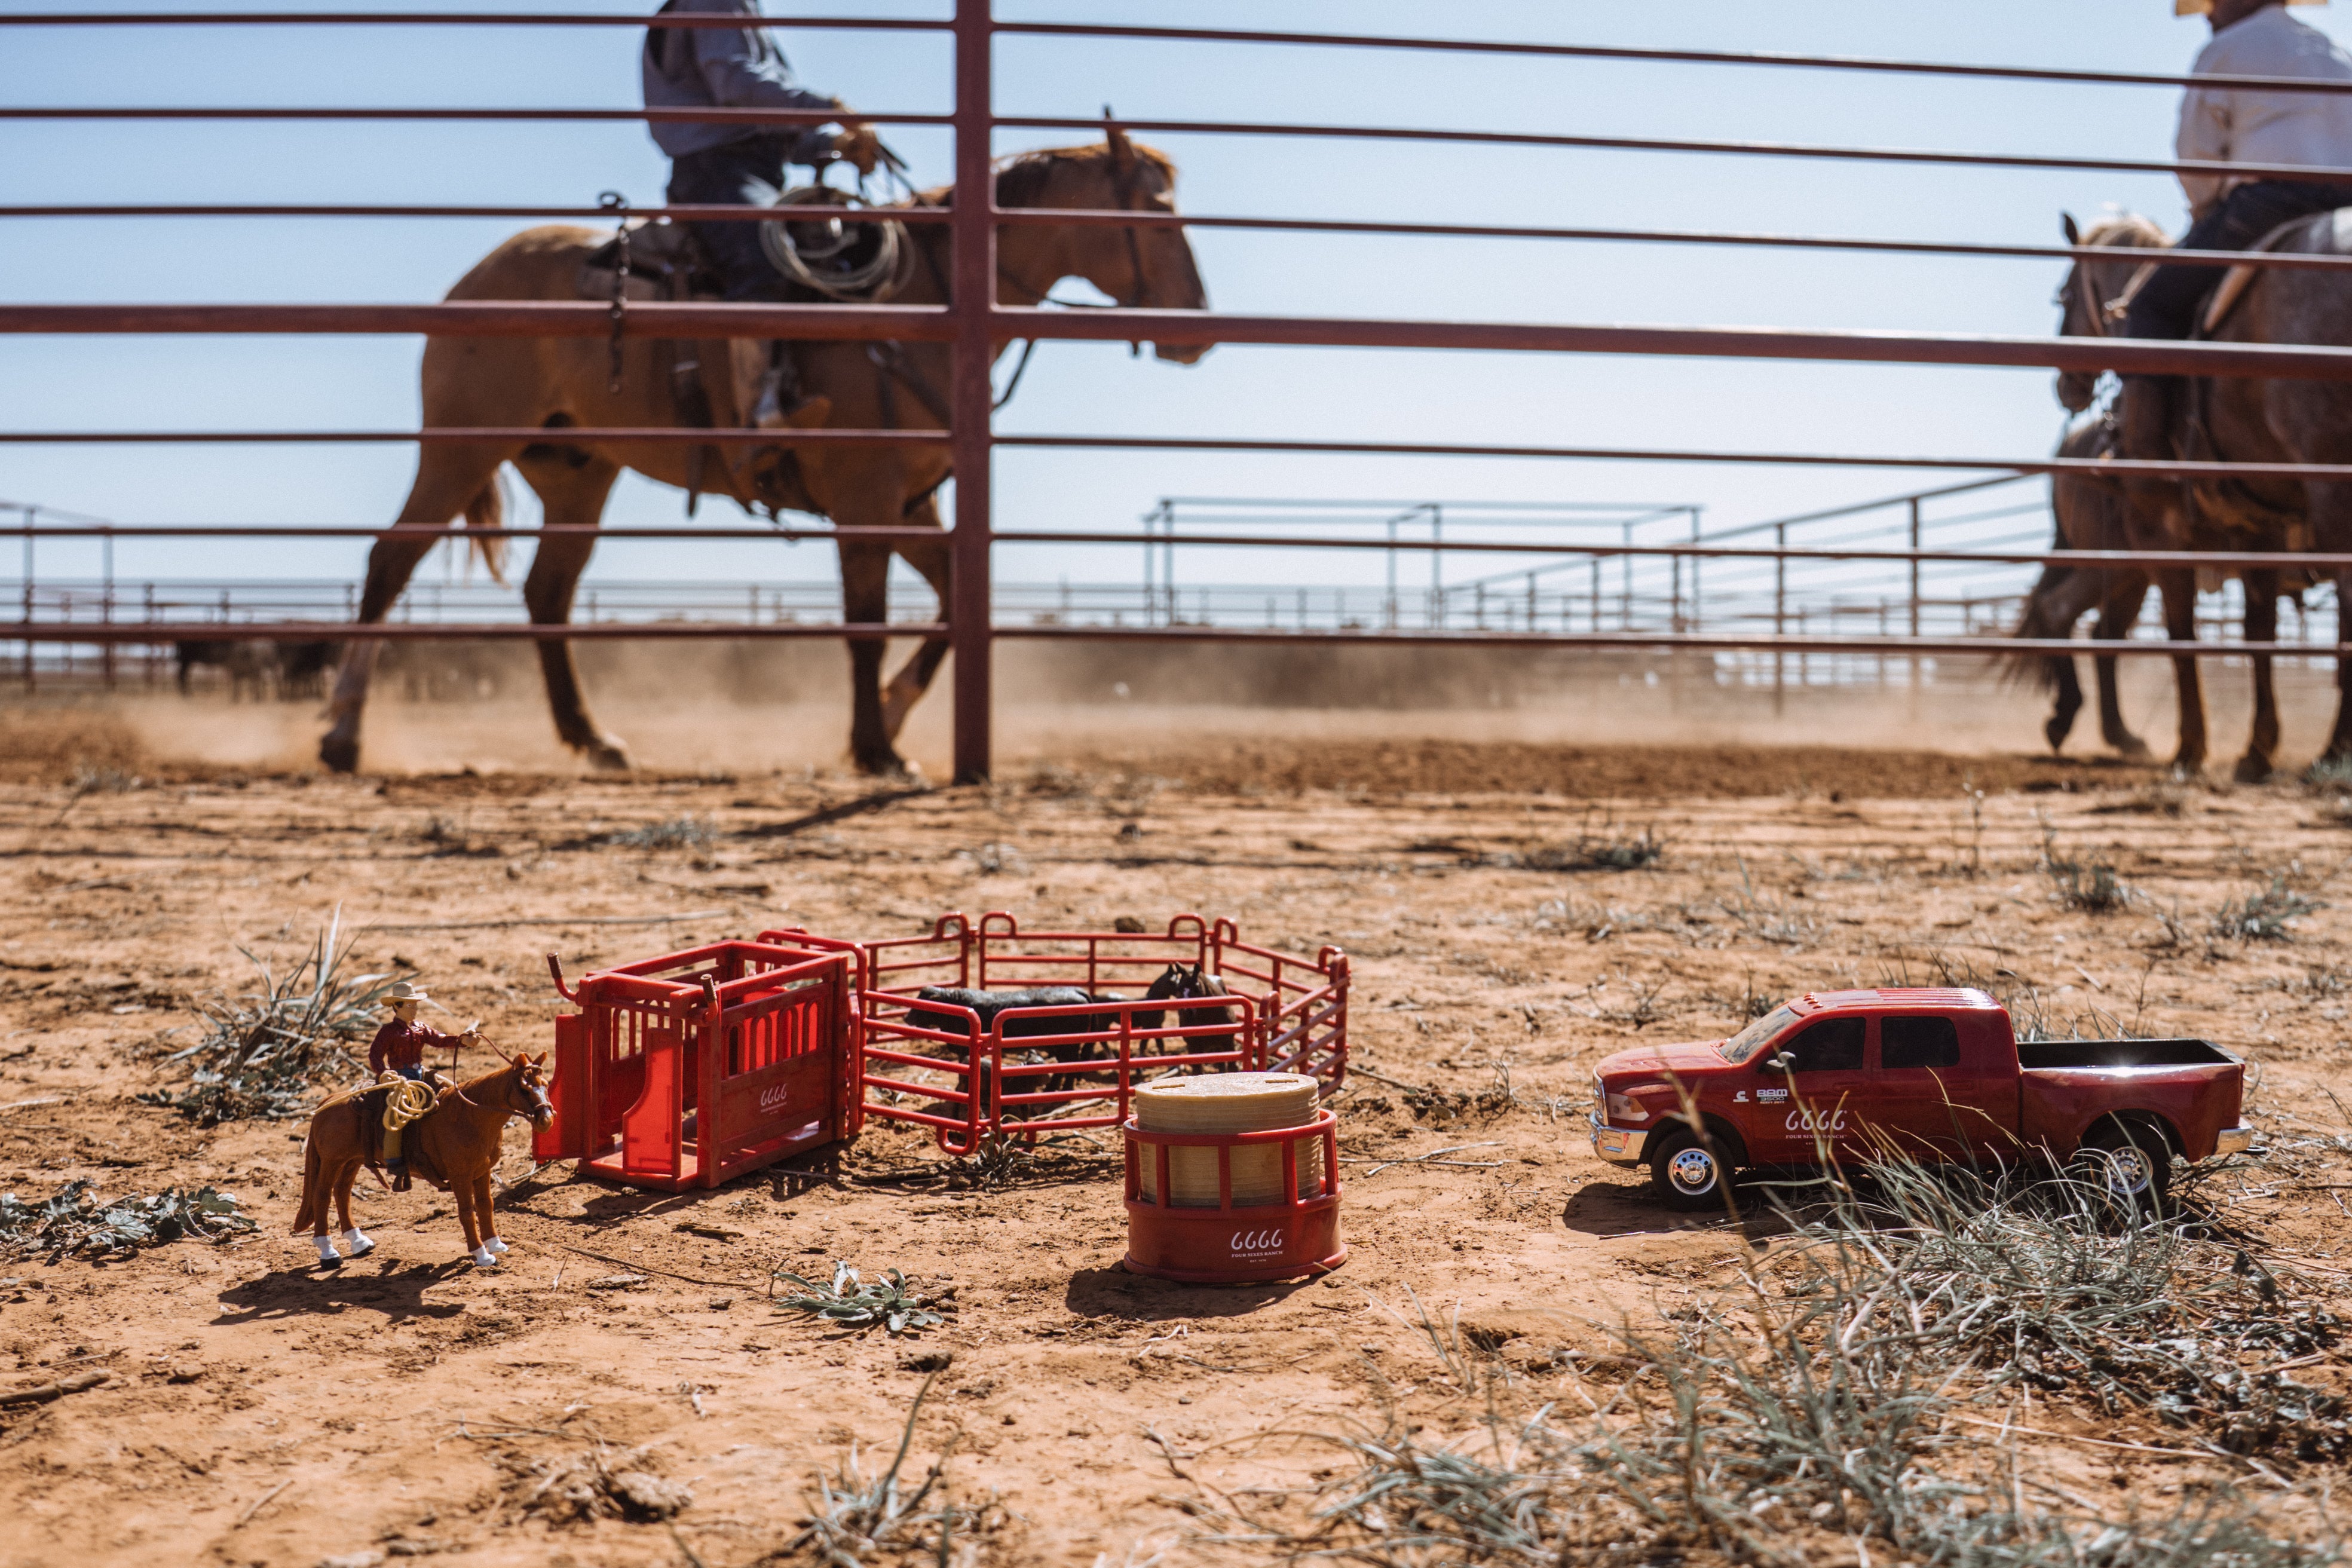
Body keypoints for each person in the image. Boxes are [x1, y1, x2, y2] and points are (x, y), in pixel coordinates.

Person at [2121, 0, 2352, 443]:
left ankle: (2143, 464)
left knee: (2152, 307)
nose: (2207, 15)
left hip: (2268, 206)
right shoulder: (2335, 51)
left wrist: (2203, 212)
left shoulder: (2225, 50)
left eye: (2213, 3)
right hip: (2346, 208)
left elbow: (2196, 159)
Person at [642, 0, 881, 306]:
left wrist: (832, 145)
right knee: (767, 263)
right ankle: (749, 350)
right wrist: (830, 109)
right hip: (718, 174)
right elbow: (736, 86)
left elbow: (761, 127)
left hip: (739, 171)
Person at [368, 980, 477, 1180]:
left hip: (420, 1073)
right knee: (397, 1111)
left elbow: (439, 1039)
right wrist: (383, 1073)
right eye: (411, 1005)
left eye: (416, 1005)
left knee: (450, 1089)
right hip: (400, 1077)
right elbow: (375, 1055)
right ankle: (393, 1158)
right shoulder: (389, 1032)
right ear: (397, 1007)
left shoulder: (420, 1028)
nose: (415, 1009)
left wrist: (461, 1040)